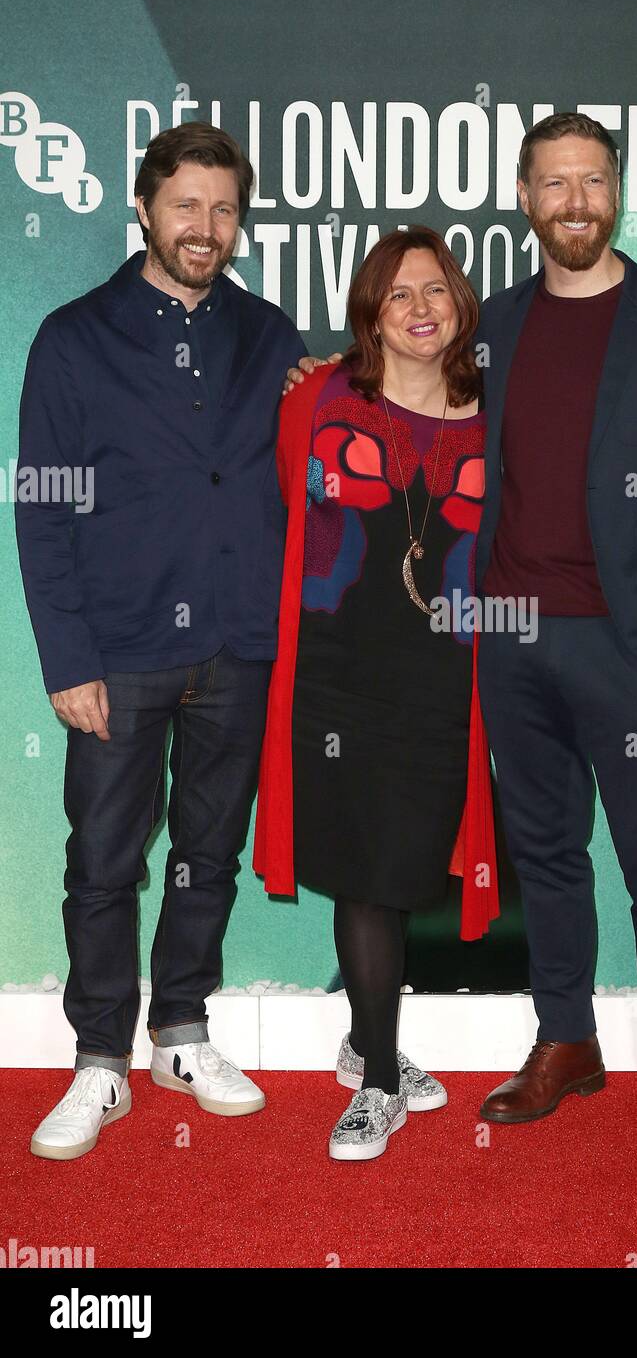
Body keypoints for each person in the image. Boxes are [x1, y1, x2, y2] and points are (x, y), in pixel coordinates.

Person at [287, 114, 637, 1143]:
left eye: (593, 180)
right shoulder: (502, 328)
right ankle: (564, 1038)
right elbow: (402, 396)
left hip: (636, 642)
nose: (575, 199)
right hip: (515, 644)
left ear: (617, 191)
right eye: (554, 182)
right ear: (524, 198)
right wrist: (319, 378)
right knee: (547, 853)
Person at [17, 122, 307, 1160]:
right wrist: (68, 659)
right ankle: (101, 1059)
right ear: (142, 207)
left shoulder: (272, 337)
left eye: (225, 208)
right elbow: (40, 508)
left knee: (207, 854)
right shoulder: (72, 335)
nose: (207, 227)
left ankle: (181, 1028)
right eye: (187, 204)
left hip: (238, 643)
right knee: (101, 862)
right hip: (120, 651)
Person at [254, 227, 501, 1161]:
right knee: (363, 866)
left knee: (404, 863)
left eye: (435, 289)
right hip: (334, 678)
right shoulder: (317, 398)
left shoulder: (493, 411)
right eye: (397, 295)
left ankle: (367, 1038)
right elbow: (290, 502)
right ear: (370, 314)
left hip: (445, 679)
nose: (420, 308)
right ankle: (382, 1083)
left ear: (460, 304)